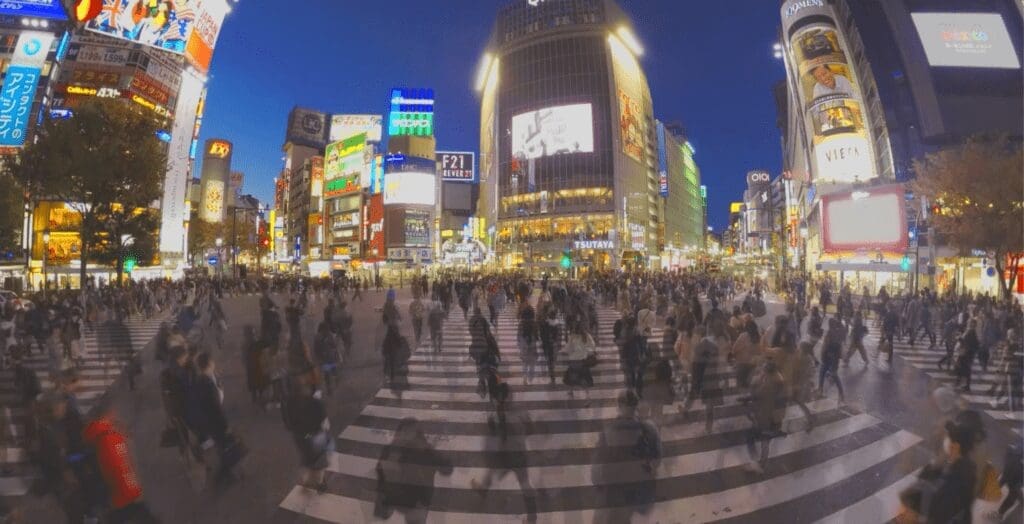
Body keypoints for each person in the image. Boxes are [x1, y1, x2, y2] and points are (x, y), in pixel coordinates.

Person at [82, 407, 160, 523]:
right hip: (123, 495)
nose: (116, 416)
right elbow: (120, 466)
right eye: (113, 413)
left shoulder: (102, 437)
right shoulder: (109, 438)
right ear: (106, 416)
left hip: (122, 495)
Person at [282, 378, 332, 492]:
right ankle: (319, 482)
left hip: (301, 436)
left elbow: (288, 421)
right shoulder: (314, 402)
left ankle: (311, 480)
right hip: (314, 435)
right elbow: (323, 418)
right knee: (317, 458)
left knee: (308, 457)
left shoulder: (289, 402)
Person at [817, 318, 846, 403]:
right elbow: (840, 345)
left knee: (822, 373)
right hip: (835, 358)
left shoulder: (829, 333)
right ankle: (841, 394)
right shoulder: (839, 333)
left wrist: (822, 355)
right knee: (834, 375)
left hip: (827, 356)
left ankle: (820, 390)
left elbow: (824, 346)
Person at [312, 322, 340, 396]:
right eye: (325, 329)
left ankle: (335, 384)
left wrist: (336, 354)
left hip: (330, 358)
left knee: (334, 372)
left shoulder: (329, 335)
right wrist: (319, 359)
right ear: (322, 329)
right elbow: (316, 350)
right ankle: (329, 389)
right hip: (325, 360)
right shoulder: (318, 337)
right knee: (327, 374)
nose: (327, 331)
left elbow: (334, 345)